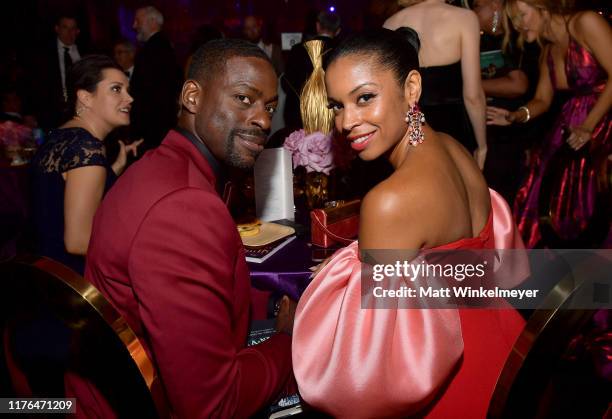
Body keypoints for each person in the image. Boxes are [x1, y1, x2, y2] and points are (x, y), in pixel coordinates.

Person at [292, 28, 526, 418]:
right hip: (508, 357)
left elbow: (361, 371)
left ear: (411, 88)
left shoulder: (389, 201)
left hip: (453, 388)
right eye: (337, 106)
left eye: (365, 97)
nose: (347, 122)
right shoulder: (454, 150)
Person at [85, 39, 295, 417]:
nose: (263, 120)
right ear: (193, 97)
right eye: (244, 99)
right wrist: (286, 341)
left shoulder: (161, 166)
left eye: (270, 107)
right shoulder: (183, 206)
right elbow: (213, 406)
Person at [487, 0, 611, 248]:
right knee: (541, 197)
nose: (519, 25)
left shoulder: (584, 22)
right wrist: (515, 116)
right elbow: (542, 101)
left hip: (602, 123)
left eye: (522, 15)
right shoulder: (549, 51)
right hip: (570, 130)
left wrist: (589, 125)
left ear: (542, 6)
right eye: (514, 20)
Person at [29, 55, 141, 274]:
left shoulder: (61, 135)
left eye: (128, 89)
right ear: (85, 98)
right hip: (72, 284)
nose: (130, 98)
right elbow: (78, 242)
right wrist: (138, 252)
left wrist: (113, 168)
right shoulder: (86, 148)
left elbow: (58, 194)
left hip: (43, 271)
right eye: (116, 89)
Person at [384, 0, 488, 169]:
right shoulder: (465, 18)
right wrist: (482, 146)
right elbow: (473, 96)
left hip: (410, 129)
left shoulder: (390, 24)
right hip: (454, 129)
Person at [471, 0, 542, 205]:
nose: (471, 12)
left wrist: (469, 86)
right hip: (488, 132)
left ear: (494, 5)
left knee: (504, 201)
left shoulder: (517, 38)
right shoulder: (476, 40)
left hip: (512, 133)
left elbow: (518, 85)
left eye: (477, 6)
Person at [130, 6, 182, 149]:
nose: (134, 26)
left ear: (152, 22)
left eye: (138, 21)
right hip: (161, 124)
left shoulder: (153, 49)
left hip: (152, 127)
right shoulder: (164, 46)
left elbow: (145, 93)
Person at [282, 10, 341, 130]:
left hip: (300, 117)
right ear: (338, 30)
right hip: (332, 117)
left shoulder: (297, 50)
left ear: (317, 26)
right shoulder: (342, 52)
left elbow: (286, 83)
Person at [30, 15, 83, 129]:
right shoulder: (42, 53)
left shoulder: (86, 52)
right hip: (51, 113)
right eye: (65, 27)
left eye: (73, 28)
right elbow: (33, 83)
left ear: (77, 31)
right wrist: (30, 112)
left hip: (82, 111)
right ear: (57, 29)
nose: (69, 32)